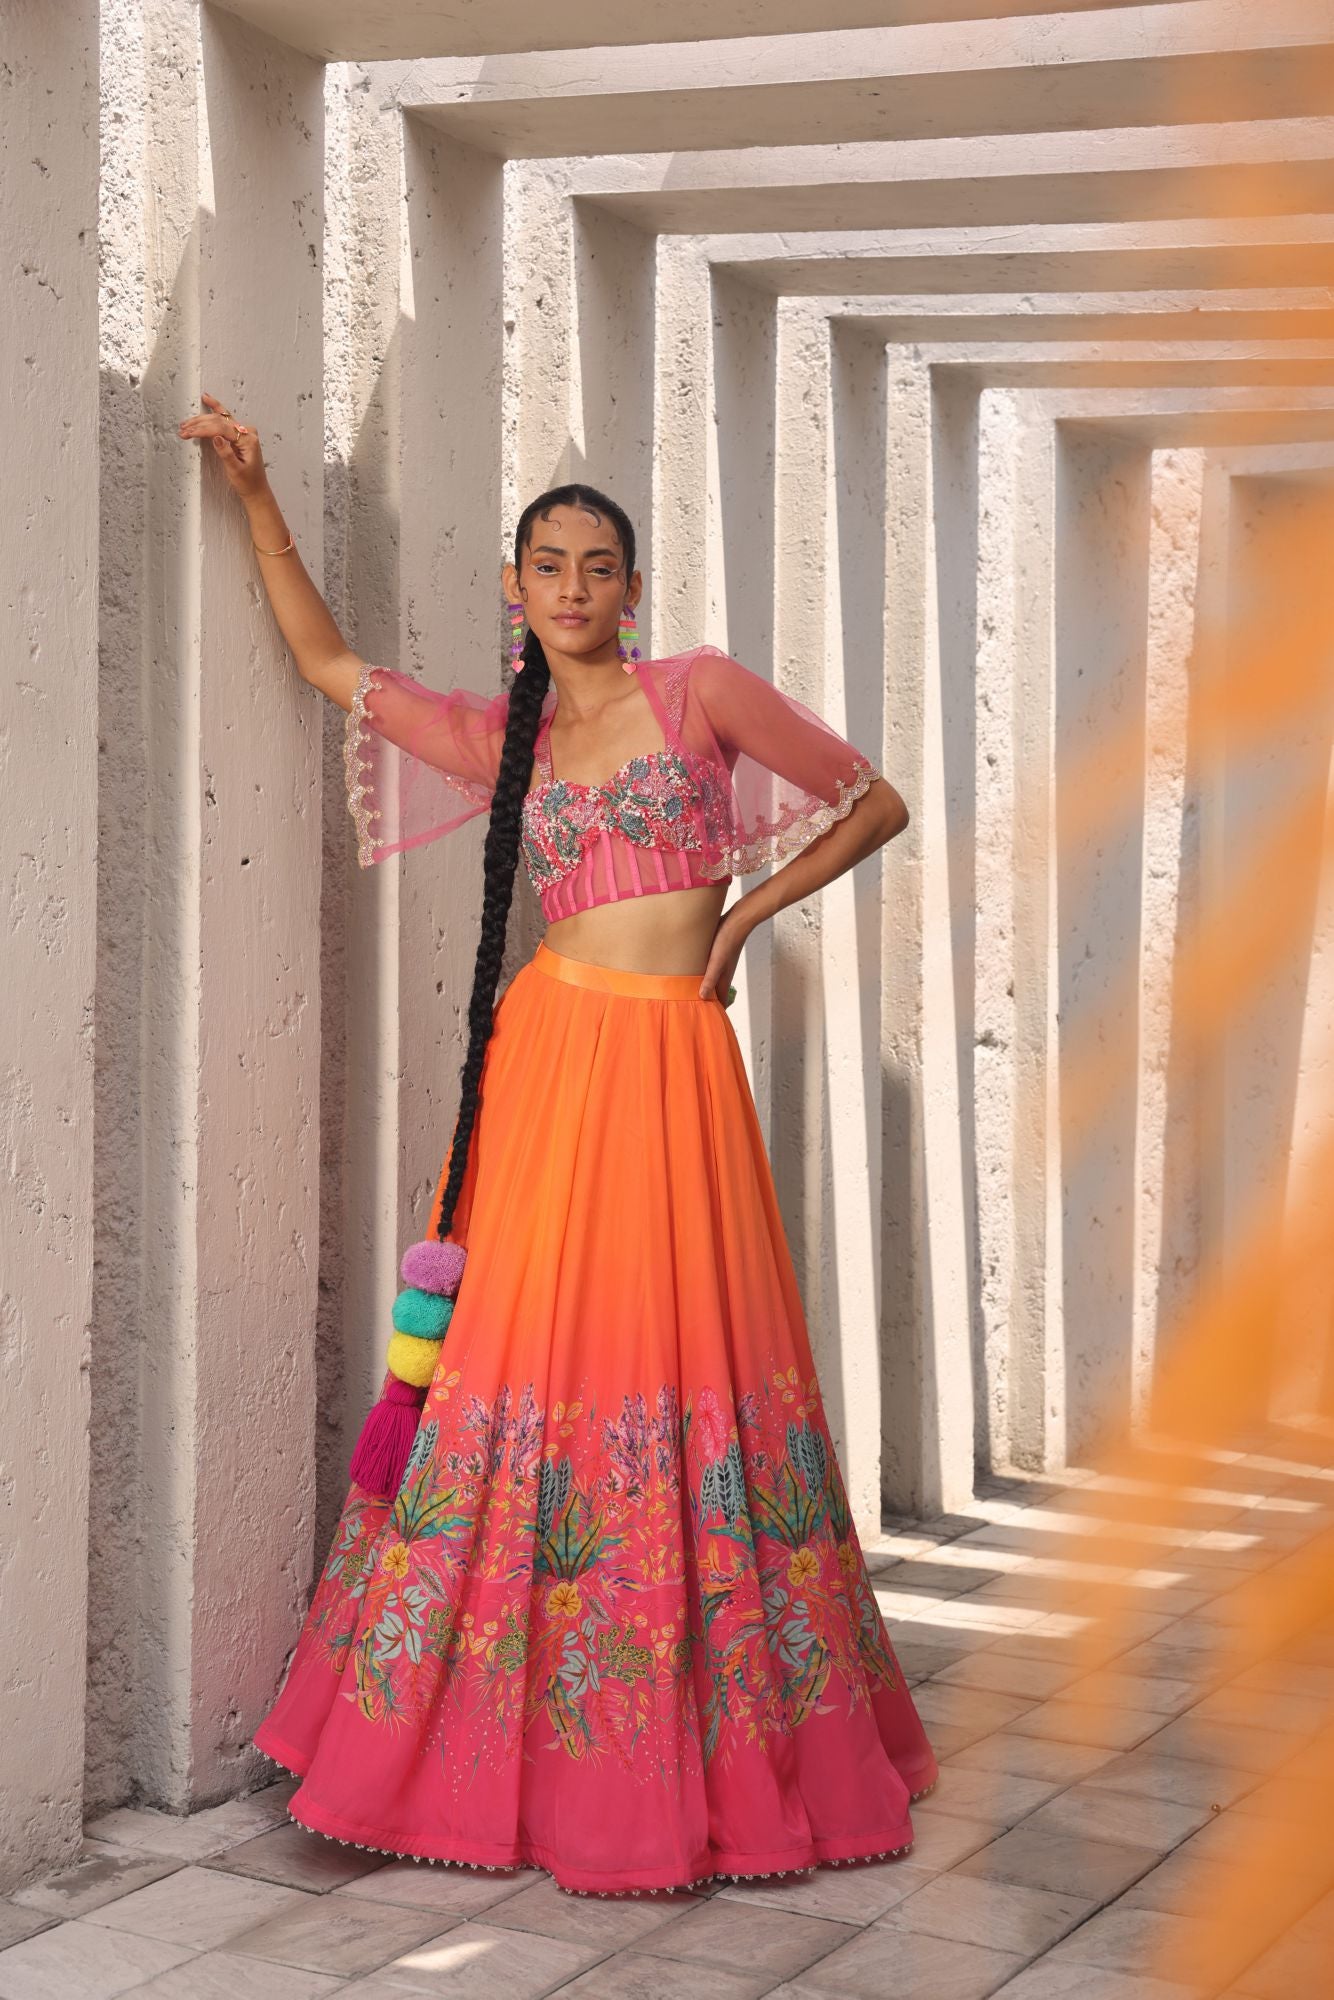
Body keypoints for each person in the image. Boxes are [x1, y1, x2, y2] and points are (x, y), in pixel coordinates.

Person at [178, 393, 939, 1899]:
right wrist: (254, 495)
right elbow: (332, 665)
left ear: (629, 591)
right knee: (530, 1356)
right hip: (551, 1057)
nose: (575, 588)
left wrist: (733, 923)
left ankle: (695, 1728)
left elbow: (875, 800)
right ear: (513, 590)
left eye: (599, 566)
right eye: (549, 565)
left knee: (684, 1351)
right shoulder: (494, 736)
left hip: (670, 1060)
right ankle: (495, 1738)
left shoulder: (700, 692)